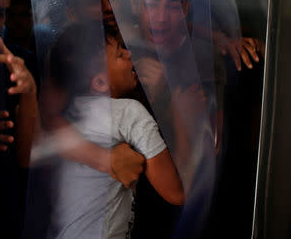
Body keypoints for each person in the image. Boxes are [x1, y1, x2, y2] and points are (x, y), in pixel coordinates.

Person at [42, 22, 184, 239]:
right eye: (119, 54)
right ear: (99, 82)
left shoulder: (66, 113)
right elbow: (176, 193)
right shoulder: (128, 113)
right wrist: (180, 114)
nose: (129, 54)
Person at [0, 0, 38, 239]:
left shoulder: (15, 63)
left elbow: (26, 157)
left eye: (1, 13)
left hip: (3, 204)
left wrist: (29, 95)